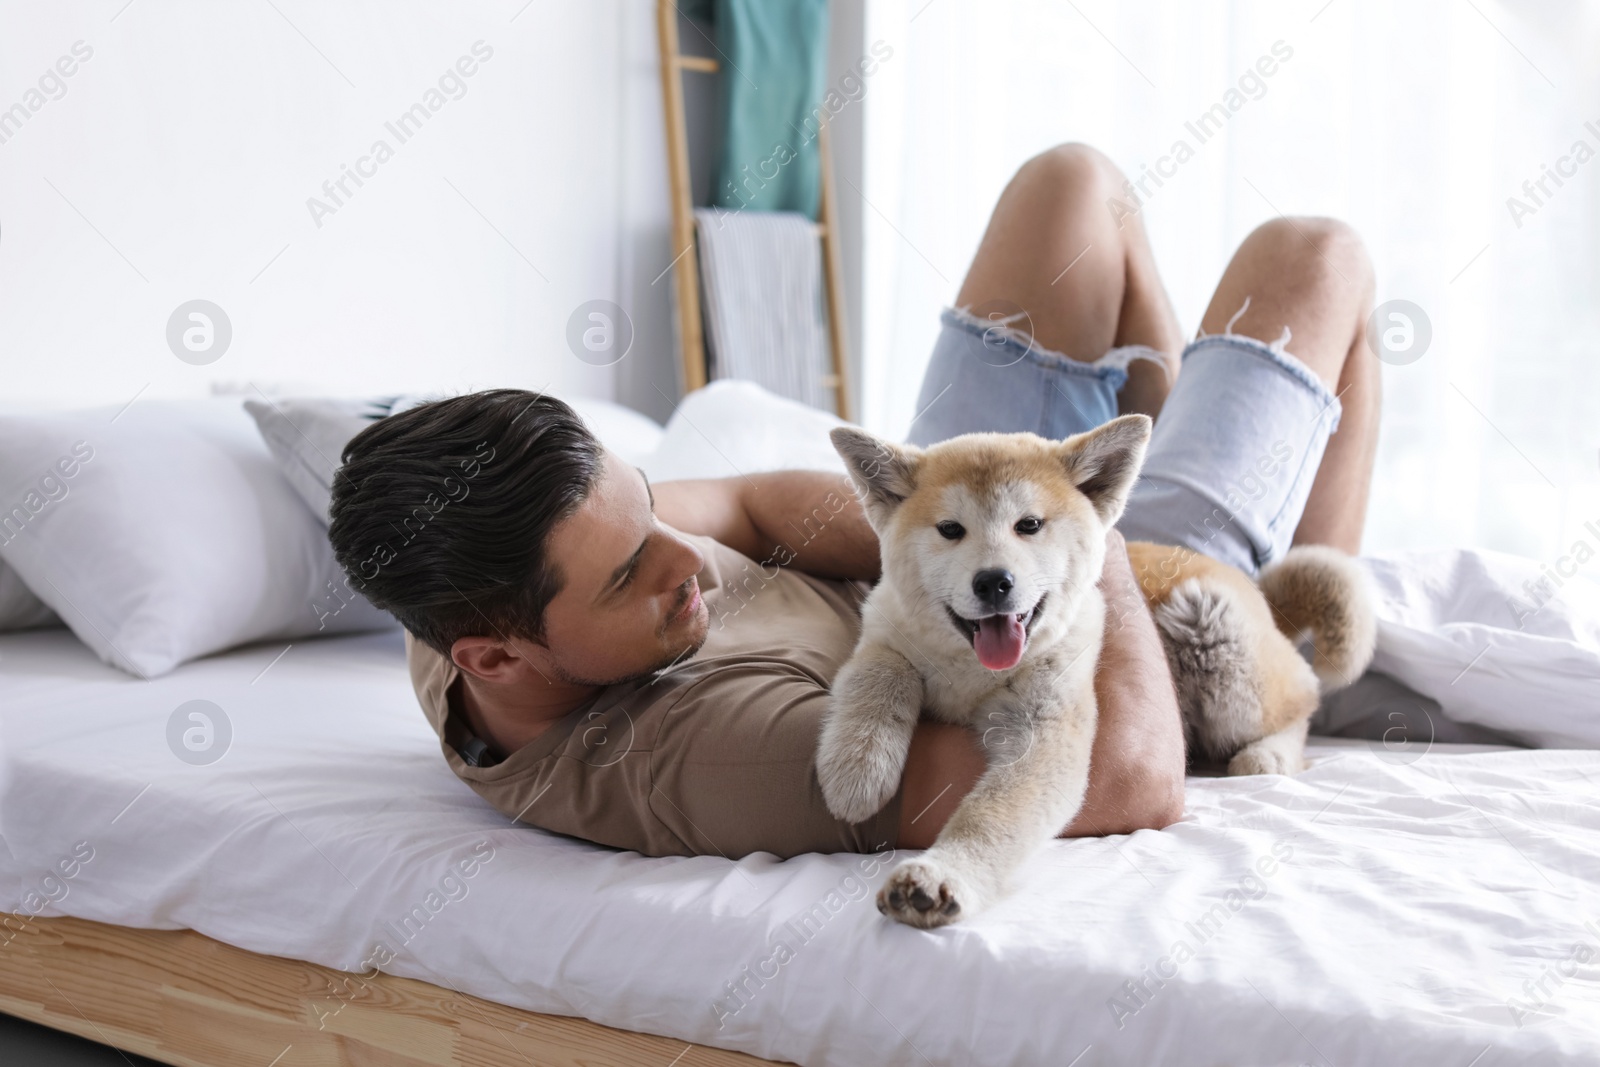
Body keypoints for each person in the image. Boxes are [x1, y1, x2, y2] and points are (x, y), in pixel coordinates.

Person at [327, 143, 1378, 861]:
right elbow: (1130, 777)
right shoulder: (701, 754)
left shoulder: (482, 574)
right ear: (497, 658)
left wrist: (935, 525)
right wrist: (1069, 516)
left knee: (1071, 184)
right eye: (629, 575)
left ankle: (1150, 412)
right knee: (1321, 257)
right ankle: (1314, 605)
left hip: (962, 531)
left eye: (647, 511)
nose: (681, 558)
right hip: (1083, 607)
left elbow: (741, 500)